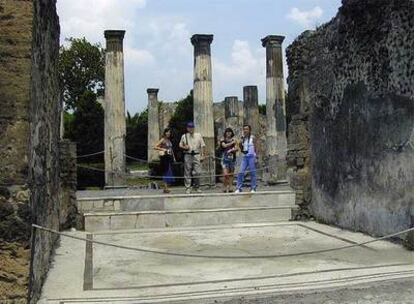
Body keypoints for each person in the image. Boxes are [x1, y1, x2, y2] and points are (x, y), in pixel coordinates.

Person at [179, 122, 206, 194]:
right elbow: (180, 145)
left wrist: (203, 155)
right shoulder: (184, 136)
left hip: (197, 155)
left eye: (192, 127)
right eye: (189, 127)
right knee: (187, 172)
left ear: (194, 128)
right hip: (188, 154)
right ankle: (188, 187)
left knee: (198, 172)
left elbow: (202, 145)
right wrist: (184, 147)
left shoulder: (198, 135)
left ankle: (196, 186)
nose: (191, 129)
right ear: (187, 128)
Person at [235, 124, 258, 193]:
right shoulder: (243, 138)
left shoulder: (252, 137)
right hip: (245, 156)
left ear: (249, 130)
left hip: (251, 156)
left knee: (252, 172)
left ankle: (253, 188)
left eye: (247, 129)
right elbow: (240, 147)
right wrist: (240, 143)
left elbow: (256, 146)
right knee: (241, 172)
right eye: (244, 129)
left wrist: (256, 156)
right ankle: (239, 188)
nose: (245, 130)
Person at [154, 128, 175, 193]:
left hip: (169, 157)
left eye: (169, 132)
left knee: (169, 172)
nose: (168, 133)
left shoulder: (168, 140)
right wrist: (163, 149)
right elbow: (155, 147)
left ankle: (166, 187)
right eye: (167, 132)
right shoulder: (163, 139)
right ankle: (165, 188)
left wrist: (174, 157)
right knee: (165, 171)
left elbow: (171, 149)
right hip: (164, 158)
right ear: (165, 133)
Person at [220, 127, 237, 193]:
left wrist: (233, 149)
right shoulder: (223, 140)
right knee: (225, 174)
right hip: (224, 158)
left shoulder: (234, 140)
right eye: (227, 132)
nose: (228, 133)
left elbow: (237, 148)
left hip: (232, 158)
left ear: (232, 133)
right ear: (225, 133)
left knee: (231, 174)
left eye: (230, 132)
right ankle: (224, 186)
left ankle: (230, 186)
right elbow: (224, 146)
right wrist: (232, 142)